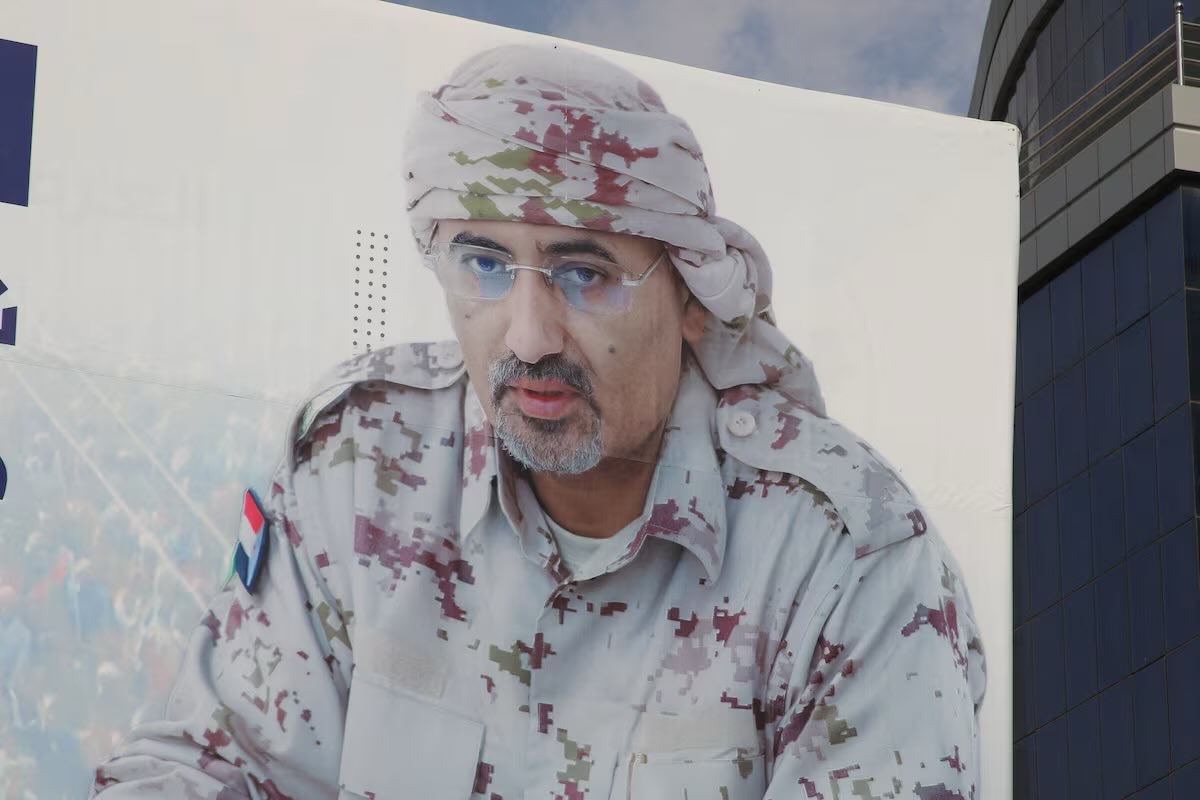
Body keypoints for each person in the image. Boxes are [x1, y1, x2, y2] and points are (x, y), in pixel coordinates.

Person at [91, 43, 985, 799]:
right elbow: (216, 762)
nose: (527, 336)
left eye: (584, 274)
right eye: (484, 265)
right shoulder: (362, 467)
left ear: (689, 299)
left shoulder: (848, 558)